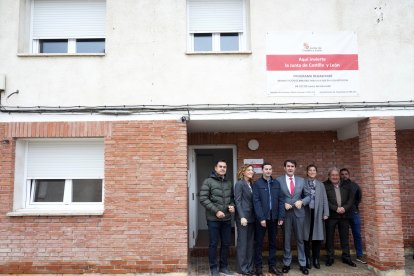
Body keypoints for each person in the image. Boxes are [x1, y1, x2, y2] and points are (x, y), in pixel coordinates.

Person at [199, 160, 235, 276]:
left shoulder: (229, 183)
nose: (223, 168)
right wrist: (216, 211)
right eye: (220, 166)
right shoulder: (208, 181)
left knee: (226, 244)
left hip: (227, 218)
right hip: (213, 219)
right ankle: (213, 268)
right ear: (215, 168)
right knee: (213, 244)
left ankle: (223, 268)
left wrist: (232, 206)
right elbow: (203, 198)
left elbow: (232, 198)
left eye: (225, 167)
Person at [277, 160, 310, 275]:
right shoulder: (278, 180)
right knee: (286, 239)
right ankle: (286, 263)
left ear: (295, 168)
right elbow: (276, 196)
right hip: (285, 214)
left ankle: (303, 264)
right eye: (288, 166)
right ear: (284, 168)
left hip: (299, 213)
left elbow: (308, 196)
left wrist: (302, 201)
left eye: (292, 166)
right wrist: (282, 204)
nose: (290, 168)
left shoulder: (301, 180)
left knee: (300, 239)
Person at [252, 162, 285, 276]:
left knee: (273, 243)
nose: (268, 171)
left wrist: (281, 216)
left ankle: (272, 267)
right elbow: (256, 202)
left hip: (274, 218)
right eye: (266, 169)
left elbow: (281, 200)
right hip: (261, 219)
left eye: (270, 169)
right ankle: (258, 267)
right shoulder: (257, 184)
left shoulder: (276, 183)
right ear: (262, 170)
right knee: (259, 243)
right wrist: (261, 218)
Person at [324, 167, 356, 267]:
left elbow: (351, 199)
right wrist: (335, 208)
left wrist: (344, 208)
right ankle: (330, 257)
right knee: (329, 238)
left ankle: (346, 257)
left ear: (339, 176)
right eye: (332, 175)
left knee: (345, 238)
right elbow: (324, 200)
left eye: (336, 175)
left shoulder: (347, 185)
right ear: (329, 176)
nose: (335, 177)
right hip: (331, 216)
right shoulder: (324, 185)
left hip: (344, 215)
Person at [303, 164, 329, 270]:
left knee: (317, 238)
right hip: (306, 213)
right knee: (306, 237)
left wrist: (326, 213)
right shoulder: (302, 183)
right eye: (310, 170)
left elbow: (324, 199)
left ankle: (316, 259)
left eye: (314, 170)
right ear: (307, 172)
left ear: (316, 172)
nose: (312, 172)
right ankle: (307, 259)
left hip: (318, 213)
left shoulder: (320, 185)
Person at [340, 168, 367, 264]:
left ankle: (359, 255)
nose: (344, 176)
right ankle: (346, 255)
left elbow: (359, 198)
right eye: (342, 174)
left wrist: (354, 207)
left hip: (354, 213)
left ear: (349, 174)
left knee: (357, 234)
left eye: (346, 174)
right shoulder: (338, 186)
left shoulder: (355, 186)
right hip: (343, 214)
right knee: (344, 235)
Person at [234, 164, 255, 275]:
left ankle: (249, 267)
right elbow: (237, 201)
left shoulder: (251, 184)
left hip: (252, 218)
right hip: (243, 218)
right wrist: (242, 216)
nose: (251, 172)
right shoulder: (239, 184)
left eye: (252, 170)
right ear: (243, 171)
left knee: (250, 243)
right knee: (243, 243)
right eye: (249, 170)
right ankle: (242, 269)